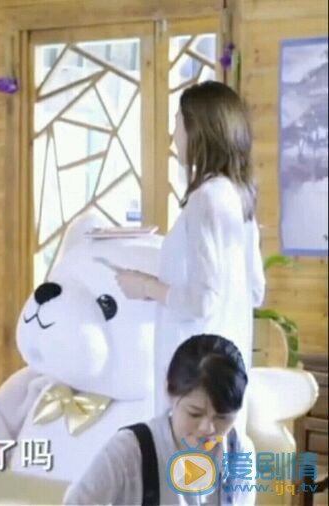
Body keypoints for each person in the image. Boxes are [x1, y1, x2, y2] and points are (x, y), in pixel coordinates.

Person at [114, 81, 266, 418]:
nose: (173, 136)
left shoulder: (206, 199)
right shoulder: (238, 195)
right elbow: (255, 291)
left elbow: (202, 300)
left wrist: (145, 286)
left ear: (200, 130)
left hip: (195, 371)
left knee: (186, 448)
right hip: (226, 368)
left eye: (178, 123)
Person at [63, 333, 256, 505]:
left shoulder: (239, 452)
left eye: (222, 417)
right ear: (168, 390)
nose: (208, 428)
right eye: (194, 413)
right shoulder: (130, 449)